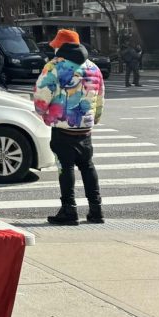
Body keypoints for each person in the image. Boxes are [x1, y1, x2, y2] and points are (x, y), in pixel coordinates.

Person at [33, 28, 106, 225]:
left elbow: (42, 97)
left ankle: (69, 210)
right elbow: (99, 98)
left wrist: (44, 114)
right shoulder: (93, 67)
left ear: (61, 46)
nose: (54, 48)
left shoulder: (54, 66)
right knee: (87, 166)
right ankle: (96, 210)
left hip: (63, 126)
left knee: (65, 168)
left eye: (56, 45)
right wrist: (94, 118)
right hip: (85, 127)